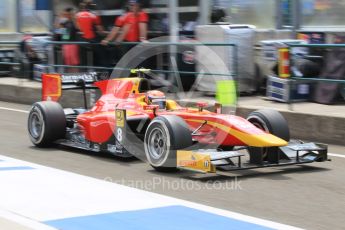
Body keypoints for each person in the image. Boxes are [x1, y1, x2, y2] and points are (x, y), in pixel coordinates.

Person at [76, 1, 105, 67]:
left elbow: (78, 28)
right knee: (100, 56)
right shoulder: (94, 16)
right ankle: (101, 71)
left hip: (81, 40)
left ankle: (83, 74)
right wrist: (105, 35)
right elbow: (100, 30)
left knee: (83, 61)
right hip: (93, 40)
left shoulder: (77, 15)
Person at [60, 7, 79, 72]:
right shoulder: (65, 22)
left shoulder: (74, 22)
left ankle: (75, 76)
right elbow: (63, 34)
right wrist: (60, 18)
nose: (66, 15)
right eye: (65, 14)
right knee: (67, 62)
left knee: (74, 63)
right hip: (65, 44)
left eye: (67, 14)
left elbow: (78, 28)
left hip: (72, 44)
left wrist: (74, 18)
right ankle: (69, 76)